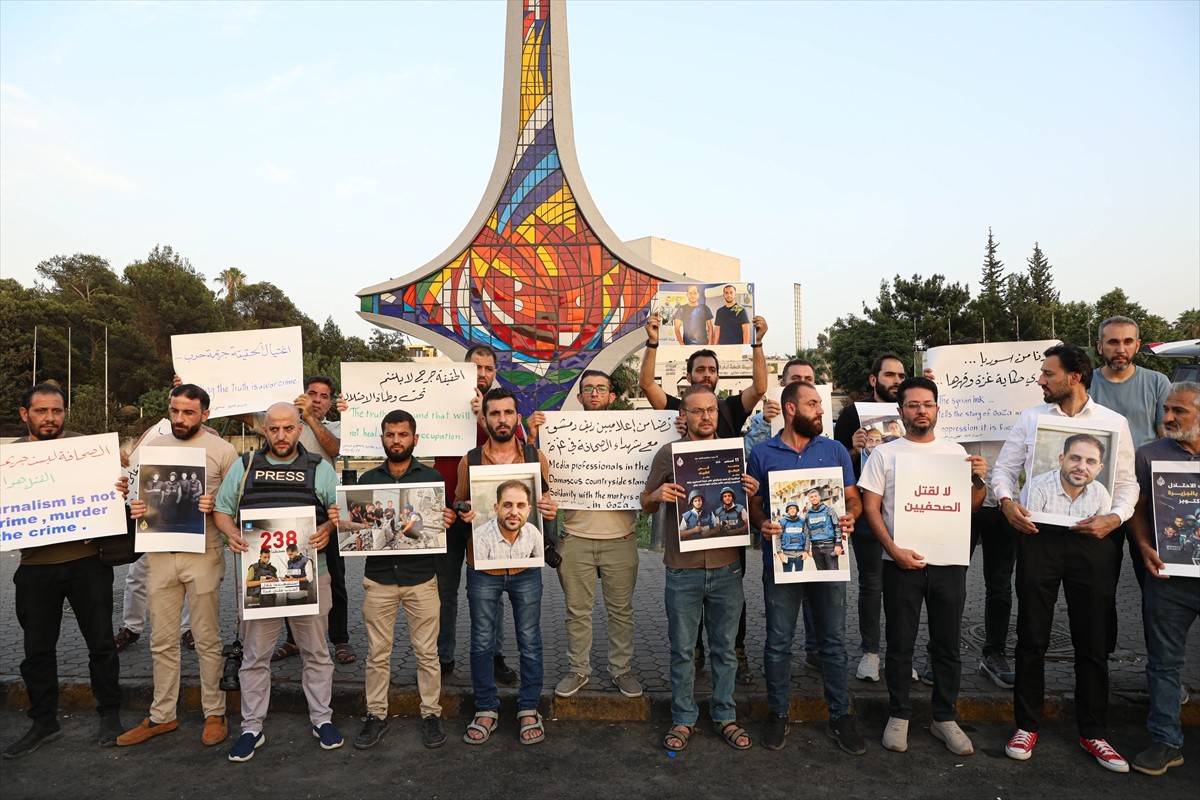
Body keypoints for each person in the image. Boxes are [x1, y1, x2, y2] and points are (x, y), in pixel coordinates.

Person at [992, 343, 1138, 772]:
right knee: (1032, 636)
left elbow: (1127, 483)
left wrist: (1114, 518)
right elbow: (1004, 469)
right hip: (1038, 536)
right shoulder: (1032, 419)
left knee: (1092, 639)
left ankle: (1094, 733)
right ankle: (1026, 724)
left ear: (1074, 377)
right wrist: (1005, 501)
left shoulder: (1113, 424)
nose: (1041, 380)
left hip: (1093, 541)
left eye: (1048, 374)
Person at [859, 376, 987, 756]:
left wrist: (976, 478)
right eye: (913, 405)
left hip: (948, 564)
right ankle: (898, 714)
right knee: (900, 644)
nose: (921, 411)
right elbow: (870, 508)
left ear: (937, 409)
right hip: (900, 564)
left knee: (948, 645)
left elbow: (973, 505)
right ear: (901, 412)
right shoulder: (885, 454)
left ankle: (944, 717)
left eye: (927, 404)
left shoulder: (955, 451)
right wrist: (893, 550)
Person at [641, 313, 769, 683]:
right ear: (689, 375)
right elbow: (646, 384)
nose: (707, 374)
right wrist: (652, 342)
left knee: (732, 596)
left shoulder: (727, 408)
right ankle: (695, 653)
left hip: (727, 530)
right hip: (686, 544)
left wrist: (756, 342)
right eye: (700, 369)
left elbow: (759, 387)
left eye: (712, 369)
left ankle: (735, 651)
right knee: (686, 616)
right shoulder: (673, 410)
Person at [2, 384, 128, 759]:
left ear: (64, 413)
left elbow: (119, 495)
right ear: (25, 414)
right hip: (34, 569)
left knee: (102, 644)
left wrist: (119, 485)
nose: (50, 418)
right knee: (37, 651)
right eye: (41, 411)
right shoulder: (10, 460)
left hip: (88, 564)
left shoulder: (87, 450)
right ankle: (44, 722)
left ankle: (110, 715)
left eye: (56, 411)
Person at [212, 402, 343, 762]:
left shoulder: (319, 468)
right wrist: (231, 535)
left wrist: (327, 529)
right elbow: (223, 511)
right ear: (264, 430)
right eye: (273, 429)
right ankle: (252, 727)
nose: (281, 435)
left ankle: (322, 718)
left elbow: (338, 512)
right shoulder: (246, 465)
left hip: (310, 578)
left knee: (316, 652)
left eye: (288, 428)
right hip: (261, 584)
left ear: (300, 429)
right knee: (255, 657)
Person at [116, 384, 239, 749]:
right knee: (162, 640)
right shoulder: (153, 448)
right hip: (159, 554)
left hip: (203, 552)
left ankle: (214, 711)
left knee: (206, 637)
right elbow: (136, 497)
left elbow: (238, 504)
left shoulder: (224, 451)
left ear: (205, 413)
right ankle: (162, 715)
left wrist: (215, 503)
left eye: (188, 412)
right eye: (174, 411)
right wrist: (134, 507)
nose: (180, 418)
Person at [747, 379, 865, 754]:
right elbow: (755, 505)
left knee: (833, 642)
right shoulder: (762, 454)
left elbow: (852, 498)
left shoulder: (834, 451)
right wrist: (762, 522)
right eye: (813, 404)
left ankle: (840, 715)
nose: (820, 410)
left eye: (821, 403)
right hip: (782, 562)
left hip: (829, 561)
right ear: (791, 409)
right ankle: (778, 713)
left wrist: (851, 517)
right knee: (778, 642)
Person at [643, 384, 758, 753]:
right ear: (685, 416)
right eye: (697, 411)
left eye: (710, 410)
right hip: (682, 570)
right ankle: (683, 717)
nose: (705, 416)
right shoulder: (668, 455)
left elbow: (748, 504)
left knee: (725, 650)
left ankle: (725, 714)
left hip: (727, 569)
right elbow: (645, 503)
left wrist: (751, 490)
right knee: (681, 650)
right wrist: (657, 496)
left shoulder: (735, 454)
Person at [220, 375, 355, 666]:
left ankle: (340, 638)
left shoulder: (335, 426)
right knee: (281, 579)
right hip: (278, 514)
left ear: (330, 402)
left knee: (334, 580)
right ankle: (293, 640)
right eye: (312, 393)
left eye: (323, 396)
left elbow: (333, 449)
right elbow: (235, 409)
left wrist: (308, 417)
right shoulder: (281, 420)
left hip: (319, 515)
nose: (317, 399)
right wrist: (203, 385)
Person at [455, 388, 557, 745]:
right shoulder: (469, 460)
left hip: (526, 568)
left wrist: (549, 511)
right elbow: (459, 505)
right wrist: (463, 511)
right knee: (482, 641)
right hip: (482, 567)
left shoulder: (535, 456)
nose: (501, 419)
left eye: (508, 413)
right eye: (494, 413)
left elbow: (545, 502)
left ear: (517, 417)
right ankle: (486, 707)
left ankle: (528, 707)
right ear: (483, 418)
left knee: (530, 641)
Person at [351, 409, 455, 751]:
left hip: (421, 578)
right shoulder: (367, 481)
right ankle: (376, 715)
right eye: (390, 434)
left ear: (415, 439)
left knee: (427, 653)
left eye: (403, 434)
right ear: (382, 438)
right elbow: (358, 530)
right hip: (378, 580)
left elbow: (436, 525)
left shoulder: (431, 477)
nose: (396, 440)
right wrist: (345, 523)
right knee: (377, 654)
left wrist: (446, 519)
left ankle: (430, 713)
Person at [552, 371, 645, 699]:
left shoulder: (634, 435)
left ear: (612, 396)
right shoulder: (562, 435)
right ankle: (579, 669)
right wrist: (536, 434)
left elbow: (655, 463)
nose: (593, 393)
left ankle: (621, 670)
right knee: (577, 612)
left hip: (621, 538)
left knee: (622, 611)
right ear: (579, 398)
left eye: (600, 388)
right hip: (576, 538)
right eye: (587, 388)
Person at [432, 344, 519, 683]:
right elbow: (401, 426)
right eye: (476, 368)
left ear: (495, 372)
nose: (482, 374)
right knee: (445, 590)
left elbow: (518, 447)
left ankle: (495, 655)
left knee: (492, 592)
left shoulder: (501, 410)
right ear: (464, 370)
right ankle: (443, 656)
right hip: (447, 512)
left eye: (487, 368)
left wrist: (483, 417)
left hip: (488, 514)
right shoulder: (440, 402)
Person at [1126, 382, 1200, 776]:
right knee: (1164, 663)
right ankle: (1166, 741)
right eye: (1166, 410)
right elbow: (1135, 509)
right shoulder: (1149, 454)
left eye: (1179, 412)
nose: (1168, 418)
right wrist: (1142, 545)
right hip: (1169, 576)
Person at [1089, 316, 1172, 653]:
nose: (1119, 349)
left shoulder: (1157, 382)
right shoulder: (1086, 384)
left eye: (1126, 342)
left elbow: (1168, 439)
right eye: (1112, 342)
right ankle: (1100, 660)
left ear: (1138, 345)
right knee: (1099, 587)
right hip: (1097, 499)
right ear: (1100, 347)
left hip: (1147, 500)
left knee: (1154, 584)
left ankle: (1160, 665)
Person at [833, 353, 907, 683]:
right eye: (890, 375)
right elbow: (835, 466)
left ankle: (899, 656)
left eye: (902, 376)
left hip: (907, 511)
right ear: (874, 380)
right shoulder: (853, 413)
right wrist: (852, 448)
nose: (896, 381)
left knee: (903, 589)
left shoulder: (911, 411)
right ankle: (870, 653)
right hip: (866, 511)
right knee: (872, 585)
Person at [1024, 434, 1112, 517]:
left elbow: (1101, 531)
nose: (1081, 467)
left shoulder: (1101, 493)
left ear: (1099, 469)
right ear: (1062, 459)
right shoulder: (1037, 488)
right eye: (1075, 458)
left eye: (1091, 462)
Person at [474, 481, 543, 564]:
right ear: (496, 508)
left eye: (520, 506)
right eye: (507, 505)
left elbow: (541, 567)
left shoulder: (532, 532)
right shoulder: (480, 537)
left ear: (528, 511)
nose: (514, 512)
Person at [803, 488, 843, 571]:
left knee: (833, 573)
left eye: (815, 496)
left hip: (829, 546)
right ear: (809, 499)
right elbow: (807, 532)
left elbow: (837, 527)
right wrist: (808, 548)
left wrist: (838, 545)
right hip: (815, 548)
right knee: (821, 574)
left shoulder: (829, 510)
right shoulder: (808, 514)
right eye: (811, 497)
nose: (814, 498)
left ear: (819, 497)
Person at [776, 502, 810, 572]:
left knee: (799, 577)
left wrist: (806, 551)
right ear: (787, 510)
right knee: (787, 577)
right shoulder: (782, 522)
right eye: (790, 508)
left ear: (797, 510)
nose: (792, 510)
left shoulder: (802, 521)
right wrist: (780, 553)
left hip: (800, 555)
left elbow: (807, 535)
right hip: (787, 555)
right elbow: (778, 537)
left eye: (794, 508)